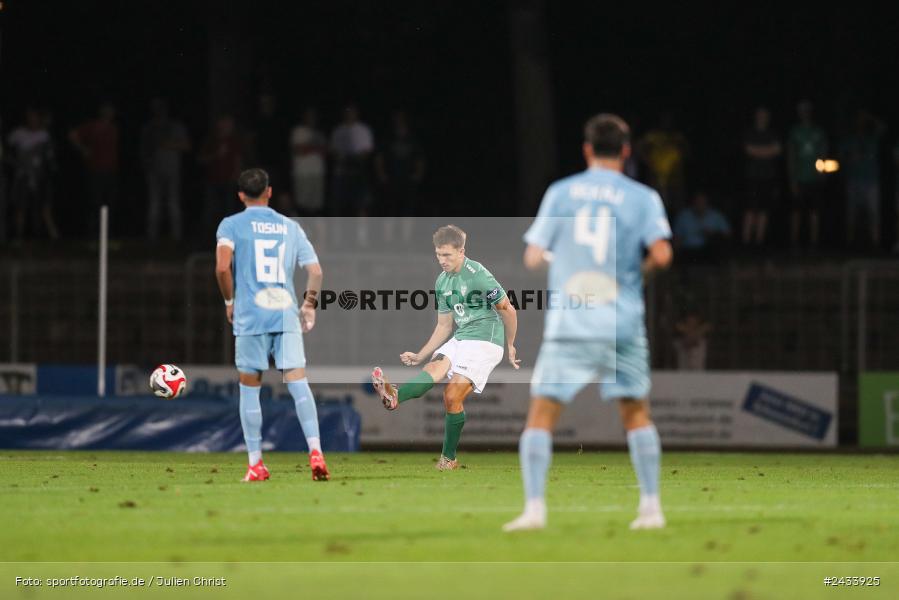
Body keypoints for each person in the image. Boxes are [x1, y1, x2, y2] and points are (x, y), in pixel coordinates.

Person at [503, 113, 673, 532]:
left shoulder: (561, 193)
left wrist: (563, 264)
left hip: (572, 322)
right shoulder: (643, 196)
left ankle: (534, 511)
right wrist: (637, 275)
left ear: (587, 149)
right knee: (636, 414)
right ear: (627, 151)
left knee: (541, 415)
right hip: (622, 320)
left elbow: (531, 256)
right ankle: (651, 508)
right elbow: (664, 254)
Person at [371, 225, 520, 470]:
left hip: (485, 341)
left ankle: (448, 458)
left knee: (451, 395)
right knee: (431, 371)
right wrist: (420, 354)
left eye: (447, 255)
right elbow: (443, 325)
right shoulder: (442, 281)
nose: (442, 260)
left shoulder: (478, 274)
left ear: (461, 251)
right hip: (461, 337)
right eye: (439, 254)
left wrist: (511, 344)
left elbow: (508, 310)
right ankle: (395, 397)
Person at [214, 168, 329, 482]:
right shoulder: (289, 226)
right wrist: (308, 305)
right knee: (297, 383)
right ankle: (316, 451)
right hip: (285, 312)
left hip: (251, 315)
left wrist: (229, 302)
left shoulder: (230, 225)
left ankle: (256, 464)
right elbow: (316, 271)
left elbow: (223, 267)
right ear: (269, 192)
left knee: (249, 389)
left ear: (240, 195)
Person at [141, 98, 191, 241]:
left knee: (172, 202)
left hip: (172, 170)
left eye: (161, 109)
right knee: (154, 203)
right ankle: (152, 237)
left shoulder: (175, 127)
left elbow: (186, 145)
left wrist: (168, 144)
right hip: (154, 170)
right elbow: (144, 150)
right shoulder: (149, 128)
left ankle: (176, 236)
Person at [787, 100, 827, 248]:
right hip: (799, 178)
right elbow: (791, 157)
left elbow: (823, 153)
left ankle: (814, 243)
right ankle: (794, 242)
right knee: (796, 212)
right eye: (802, 110)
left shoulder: (818, 131)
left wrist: (822, 172)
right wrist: (792, 180)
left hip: (814, 178)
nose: (804, 112)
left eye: (807, 110)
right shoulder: (795, 131)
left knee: (814, 212)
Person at [742, 107, 782, 246]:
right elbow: (749, 150)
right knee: (750, 209)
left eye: (764, 114)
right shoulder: (750, 132)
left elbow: (777, 150)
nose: (762, 117)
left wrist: (759, 151)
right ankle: (747, 241)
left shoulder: (772, 133)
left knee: (764, 209)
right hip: (752, 176)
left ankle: (759, 242)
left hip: (768, 176)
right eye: (760, 114)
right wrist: (767, 151)